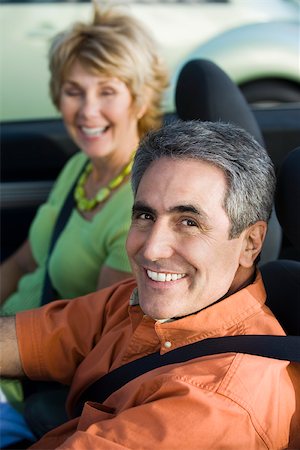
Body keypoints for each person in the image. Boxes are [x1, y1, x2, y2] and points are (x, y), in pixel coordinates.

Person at [1, 121, 299, 449]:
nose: (152, 249)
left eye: (188, 222)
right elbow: (34, 338)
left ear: (250, 244)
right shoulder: (147, 301)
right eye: (145, 216)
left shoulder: (216, 406)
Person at [0, 4, 168, 447]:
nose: (87, 111)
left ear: (141, 97)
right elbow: (21, 263)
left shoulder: (143, 201)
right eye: (74, 91)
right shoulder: (80, 166)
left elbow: (92, 336)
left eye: (107, 91)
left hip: (24, 383)